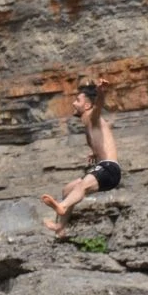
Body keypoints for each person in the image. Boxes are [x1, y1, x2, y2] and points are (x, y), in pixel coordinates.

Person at [41, 77, 119, 236]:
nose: (73, 104)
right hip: (102, 169)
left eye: (77, 100)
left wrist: (100, 92)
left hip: (110, 169)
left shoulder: (93, 117)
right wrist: (94, 154)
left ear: (87, 105)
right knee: (68, 189)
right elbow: (100, 146)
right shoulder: (87, 127)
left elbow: (99, 106)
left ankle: (62, 206)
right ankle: (60, 228)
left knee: (82, 185)